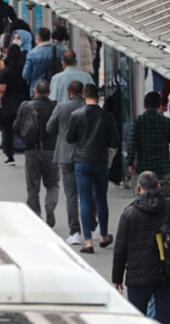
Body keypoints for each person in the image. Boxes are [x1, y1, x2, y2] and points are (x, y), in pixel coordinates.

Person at [112, 171, 170, 323]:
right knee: (166, 316)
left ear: (138, 188)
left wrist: (117, 277)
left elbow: (120, 249)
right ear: (158, 186)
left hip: (138, 276)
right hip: (167, 272)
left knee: (137, 318)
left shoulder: (129, 213)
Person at [66, 83, 118, 253]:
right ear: (98, 96)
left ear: (83, 96)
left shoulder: (76, 115)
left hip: (82, 161)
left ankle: (88, 241)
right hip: (100, 162)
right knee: (101, 199)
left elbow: (70, 138)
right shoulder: (108, 116)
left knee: (85, 199)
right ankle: (103, 235)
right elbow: (114, 142)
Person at [46, 80, 87, 245]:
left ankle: (74, 231)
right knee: (86, 194)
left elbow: (50, 127)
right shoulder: (87, 108)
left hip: (65, 155)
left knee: (71, 195)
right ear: (82, 93)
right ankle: (93, 227)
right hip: (84, 155)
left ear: (69, 93)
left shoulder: (61, 107)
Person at [14, 80, 59, 224]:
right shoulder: (55, 106)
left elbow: (16, 127)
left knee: (32, 186)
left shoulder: (26, 106)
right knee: (52, 184)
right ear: (49, 92)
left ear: (35, 91)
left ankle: (34, 217)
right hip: (51, 150)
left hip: (31, 150)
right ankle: (50, 205)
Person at [127, 91, 170, 182]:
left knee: (144, 194)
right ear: (160, 106)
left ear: (145, 106)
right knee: (162, 194)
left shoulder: (137, 122)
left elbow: (131, 145)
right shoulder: (167, 122)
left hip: (143, 168)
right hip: (163, 169)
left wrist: (130, 163)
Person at [0, 45, 29, 166]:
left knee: (8, 131)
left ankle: (10, 156)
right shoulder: (25, 71)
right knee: (25, 130)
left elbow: (0, 90)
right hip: (23, 103)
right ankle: (28, 152)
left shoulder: (6, 72)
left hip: (8, 105)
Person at [22, 27, 65, 93]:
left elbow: (25, 75)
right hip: (53, 86)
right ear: (49, 37)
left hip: (37, 88)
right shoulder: (58, 50)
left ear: (38, 37)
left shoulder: (32, 53)